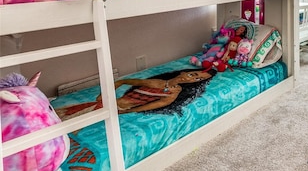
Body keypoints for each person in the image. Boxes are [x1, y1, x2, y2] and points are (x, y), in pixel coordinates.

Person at [55, 69, 214, 119]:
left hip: (118, 110)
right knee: (63, 116)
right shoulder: (158, 82)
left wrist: (123, 112)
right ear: (185, 71)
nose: (193, 78)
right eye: (194, 74)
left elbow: (151, 106)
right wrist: (105, 95)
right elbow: (123, 82)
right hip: (104, 104)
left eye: (198, 79)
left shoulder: (174, 93)